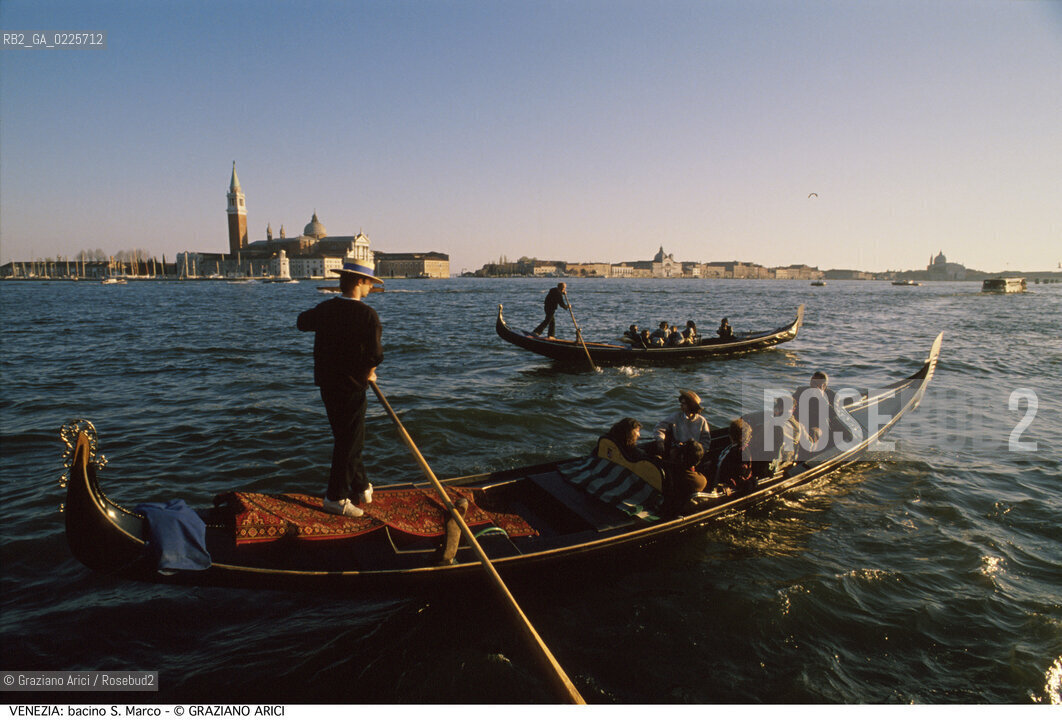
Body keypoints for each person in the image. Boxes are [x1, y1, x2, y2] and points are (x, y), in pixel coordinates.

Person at [297, 259, 384, 518]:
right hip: (352, 386)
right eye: (369, 282)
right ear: (359, 282)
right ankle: (335, 498)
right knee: (350, 441)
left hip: (327, 384)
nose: (370, 288)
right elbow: (376, 354)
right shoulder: (368, 315)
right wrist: (370, 371)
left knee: (346, 438)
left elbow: (302, 322)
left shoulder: (326, 309)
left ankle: (361, 486)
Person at [652, 390, 712, 456]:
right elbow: (659, 427)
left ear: (691, 405)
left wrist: (700, 452)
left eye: (684, 403)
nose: (681, 405)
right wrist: (660, 441)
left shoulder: (702, 421)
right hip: (678, 451)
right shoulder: (675, 417)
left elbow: (706, 440)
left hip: (694, 453)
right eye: (681, 403)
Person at [662, 440, 708, 516]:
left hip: (667, 507)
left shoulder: (668, 469)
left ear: (681, 456)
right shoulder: (700, 480)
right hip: (676, 510)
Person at [792, 371, 834, 452]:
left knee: (813, 432)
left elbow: (834, 414)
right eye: (813, 382)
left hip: (819, 426)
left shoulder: (831, 395)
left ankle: (806, 454)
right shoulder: (801, 391)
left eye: (818, 384)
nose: (814, 386)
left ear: (824, 385)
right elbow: (790, 404)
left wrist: (821, 398)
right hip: (800, 422)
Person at [712, 419, 755, 496]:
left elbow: (739, 475)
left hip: (723, 484)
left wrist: (727, 484)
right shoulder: (733, 448)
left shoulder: (741, 453)